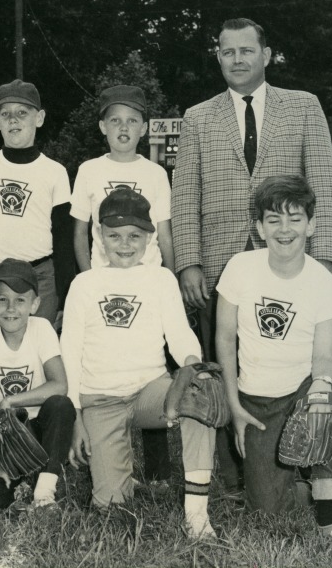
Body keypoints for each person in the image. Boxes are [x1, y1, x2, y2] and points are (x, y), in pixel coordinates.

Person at [172, 17, 332, 497]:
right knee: (222, 362)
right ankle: (233, 471)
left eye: (247, 51)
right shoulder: (198, 116)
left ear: (266, 55)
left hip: (290, 259)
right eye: (228, 52)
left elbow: (323, 185)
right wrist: (189, 262)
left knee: (297, 358)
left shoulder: (303, 107)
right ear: (218, 57)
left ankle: (307, 454)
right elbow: (185, 196)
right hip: (221, 259)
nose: (238, 59)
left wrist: (322, 258)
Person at [215, 175, 332, 554]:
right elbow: (224, 340)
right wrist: (234, 408)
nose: (285, 229)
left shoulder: (323, 281)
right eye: (274, 219)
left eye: (295, 218)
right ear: (259, 228)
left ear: (311, 225)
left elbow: (324, 357)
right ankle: (302, 482)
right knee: (266, 515)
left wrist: (320, 389)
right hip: (256, 401)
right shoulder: (239, 267)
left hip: (299, 392)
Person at [61, 190, 217, 539]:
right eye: (114, 235)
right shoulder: (84, 284)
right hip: (100, 400)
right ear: (99, 235)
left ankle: (196, 512)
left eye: (134, 236)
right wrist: (76, 416)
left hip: (150, 392)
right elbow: (69, 350)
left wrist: (193, 364)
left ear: (149, 238)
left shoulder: (160, 277)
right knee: (110, 510)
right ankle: (118, 468)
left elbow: (179, 334)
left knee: (199, 394)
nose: (125, 244)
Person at [69, 84, 175, 487]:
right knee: (110, 368)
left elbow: (164, 233)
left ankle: (159, 470)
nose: (124, 128)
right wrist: (87, 277)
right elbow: (80, 232)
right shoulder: (90, 170)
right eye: (115, 120)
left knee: (153, 371)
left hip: (147, 283)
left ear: (145, 127)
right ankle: (114, 455)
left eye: (132, 120)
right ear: (102, 126)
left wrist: (175, 278)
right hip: (104, 281)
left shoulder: (155, 173)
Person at [0, 79, 74, 342]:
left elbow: (63, 238)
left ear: (40, 118)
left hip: (38, 278)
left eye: (22, 112)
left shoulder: (55, 172)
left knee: (35, 357)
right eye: (5, 114)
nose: (13, 120)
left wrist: (64, 297)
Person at [0, 259, 75, 510]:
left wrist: (11, 400)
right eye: (3, 299)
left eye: (20, 300)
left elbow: (60, 385)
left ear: (35, 304)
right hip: (2, 434)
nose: (11, 308)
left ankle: (44, 492)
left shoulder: (42, 328)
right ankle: (20, 474)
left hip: (39, 432)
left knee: (61, 405)